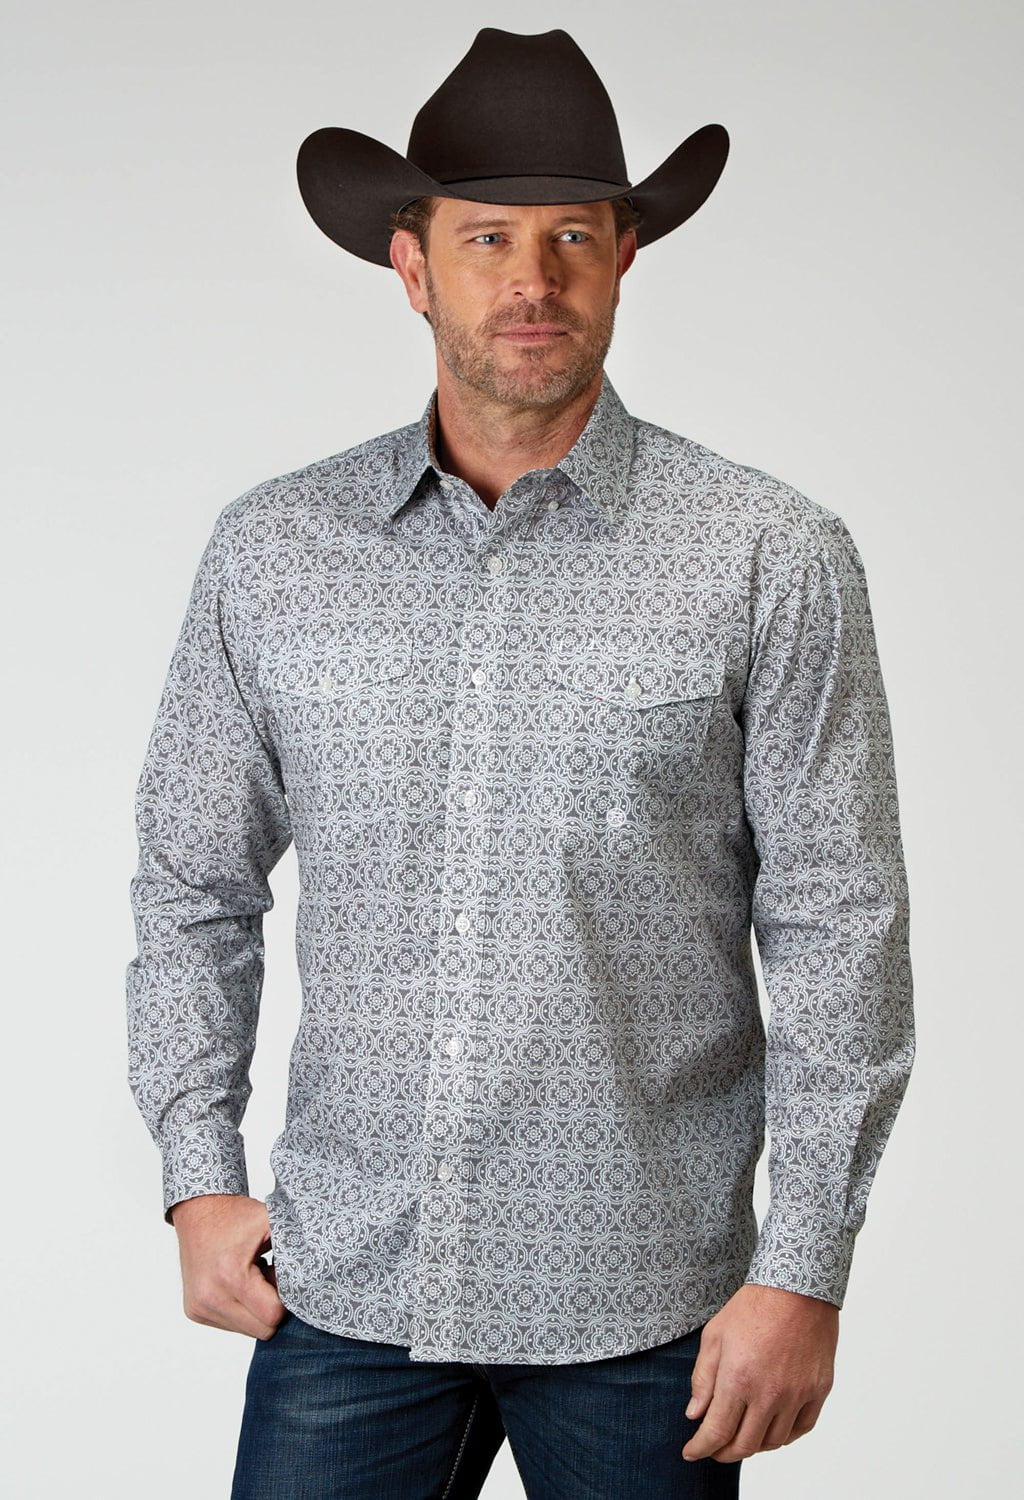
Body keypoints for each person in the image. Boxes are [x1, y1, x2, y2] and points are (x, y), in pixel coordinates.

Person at [125, 26, 915, 1500]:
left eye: (572, 237)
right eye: (487, 238)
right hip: (345, 1285)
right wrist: (197, 1176)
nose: (532, 279)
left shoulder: (768, 555)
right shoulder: (275, 552)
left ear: (625, 260)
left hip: (648, 1303)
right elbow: (192, 885)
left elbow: (840, 926)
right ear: (412, 267)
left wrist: (805, 1267)